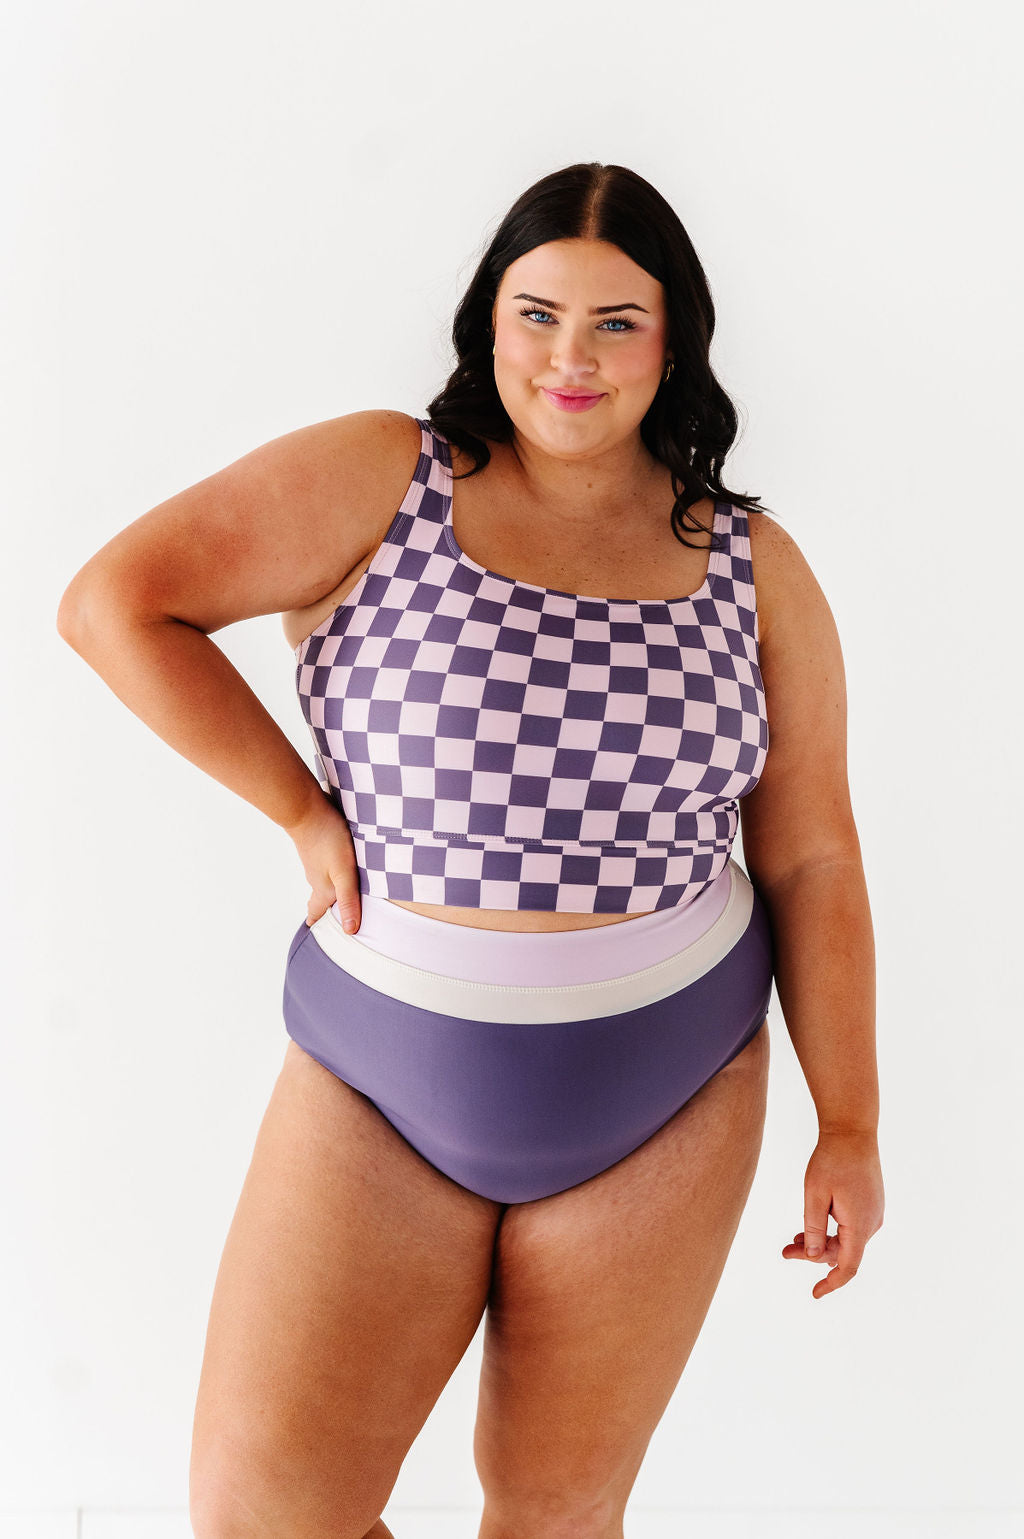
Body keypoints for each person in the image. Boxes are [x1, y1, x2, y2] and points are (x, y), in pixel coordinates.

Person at [56, 161, 884, 1539]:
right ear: (488, 322)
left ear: (675, 341)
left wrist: (848, 1124)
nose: (572, 358)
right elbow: (115, 604)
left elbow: (814, 860)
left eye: (617, 322)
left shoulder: (756, 567)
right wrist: (301, 811)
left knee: (558, 1515)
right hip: (378, 1076)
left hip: (667, 1089)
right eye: (537, 314)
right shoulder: (386, 478)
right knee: (264, 1514)